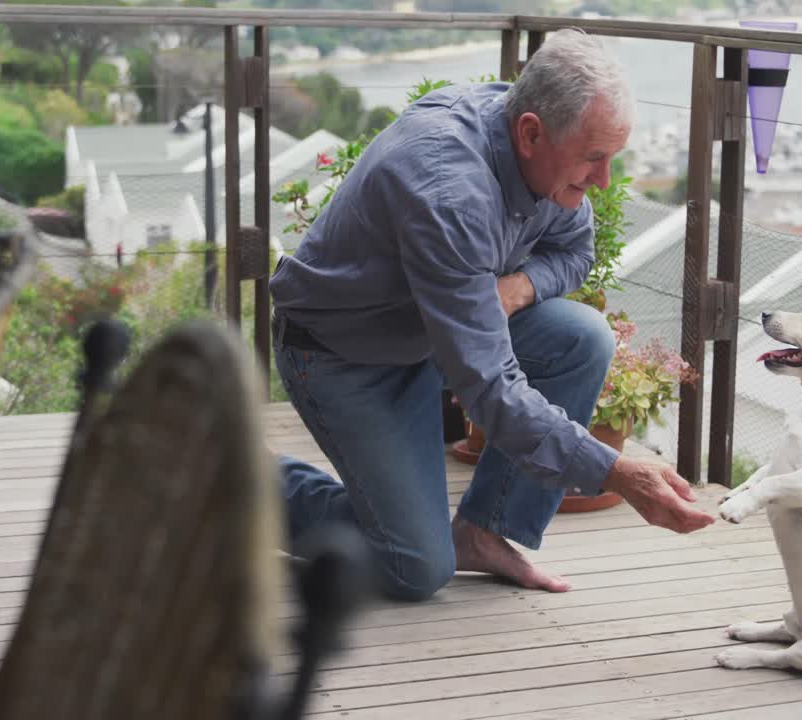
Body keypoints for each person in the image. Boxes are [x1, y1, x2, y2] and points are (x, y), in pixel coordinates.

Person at [268, 28, 716, 603]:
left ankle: (483, 531)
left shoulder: (544, 153)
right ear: (530, 133)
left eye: (612, 158)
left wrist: (519, 287)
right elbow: (490, 390)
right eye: (594, 158)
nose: (604, 180)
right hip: (342, 354)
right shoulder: (449, 190)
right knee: (416, 567)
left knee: (582, 338)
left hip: (430, 333)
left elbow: (575, 252)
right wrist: (614, 471)